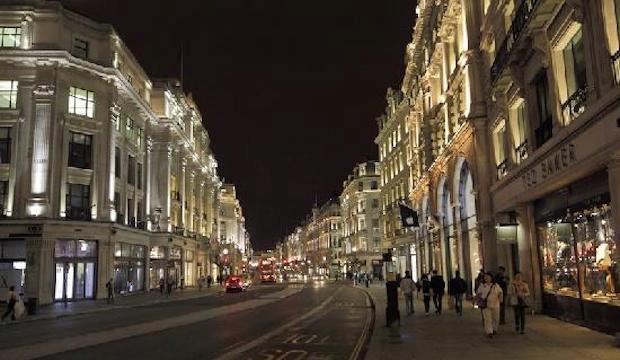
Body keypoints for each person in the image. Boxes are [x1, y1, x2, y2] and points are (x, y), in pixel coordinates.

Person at [475, 272, 503, 338]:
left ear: (491, 278)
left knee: (496, 318)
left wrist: (500, 299)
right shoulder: (482, 286)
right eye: (485, 277)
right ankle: (489, 332)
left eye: (488, 277)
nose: (486, 278)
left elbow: (500, 292)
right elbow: (478, 294)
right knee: (487, 319)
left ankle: (494, 329)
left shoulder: (496, 285)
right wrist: (475, 300)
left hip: (495, 304)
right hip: (485, 304)